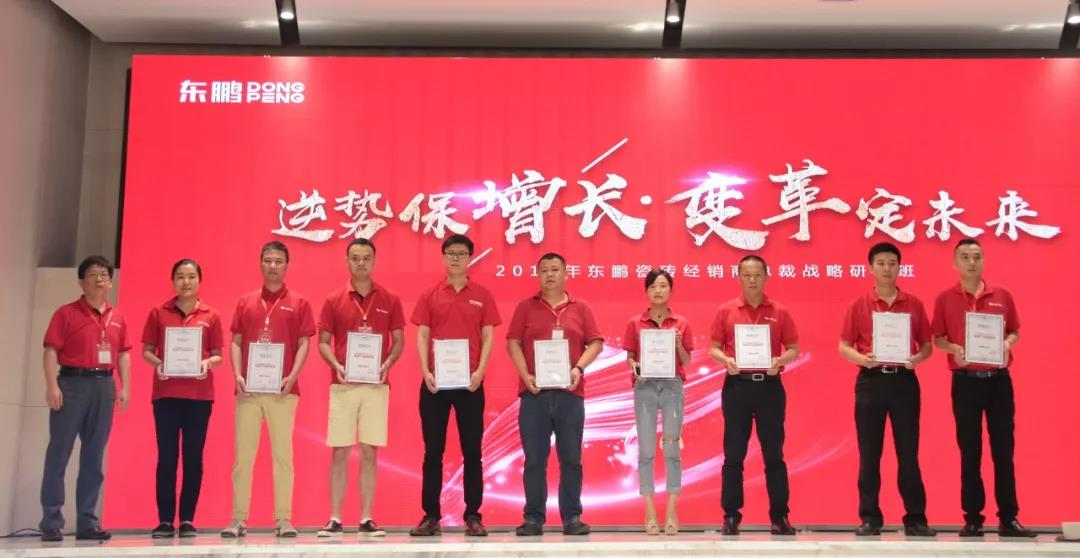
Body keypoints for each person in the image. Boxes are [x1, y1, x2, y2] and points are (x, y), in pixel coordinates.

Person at [931, 238, 1035, 538]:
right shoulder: (945, 299)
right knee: (970, 452)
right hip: (965, 382)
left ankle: (1009, 518)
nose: (972, 262)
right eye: (965, 257)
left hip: (998, 381)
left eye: (977, 256)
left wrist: (1006, 344)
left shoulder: (1002, 295)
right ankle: (973, 518)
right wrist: (954, 349)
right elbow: (938, 338)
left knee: (1003, 451)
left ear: (984, 261)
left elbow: (1014, 330)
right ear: (955, 263)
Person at [839, 242, 935, 537]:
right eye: (881, 263)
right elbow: (843, 345)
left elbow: (927, 345)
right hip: (871, 381)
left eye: (892, 263)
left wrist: (917, 358)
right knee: (870, 453)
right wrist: (862, 359)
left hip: (904, 382)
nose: (887, 268)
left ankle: (916, 519)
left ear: (899, 267)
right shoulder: (859, 305)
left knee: (908, 452)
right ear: (871, 268)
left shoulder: (914, 304)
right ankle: (870, 517)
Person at [408, 234, 500, 537]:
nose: (456, 258)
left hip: (470, 384)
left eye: (461, 253)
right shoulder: (430, 295)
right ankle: (430, 516)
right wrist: (426, 371)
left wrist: (480, 371)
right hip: (435, 384)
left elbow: (488, 336)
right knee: (432, 451)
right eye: (451, 253)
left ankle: (473, 515)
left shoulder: (482, 295)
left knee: (472, 451)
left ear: (470, 258)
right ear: (443, 257)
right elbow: (422, 335)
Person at [221, 241, 315, 538]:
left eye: (278, 261)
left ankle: (284, 519)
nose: (273, 266)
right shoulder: (245, 302)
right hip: (248, 391)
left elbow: (304, 344)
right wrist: (238, 375)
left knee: (283, 456)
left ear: (287, 265)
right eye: (268, 261)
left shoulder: (299, 302)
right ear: (260, 263)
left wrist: (292, 376)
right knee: (243, 457)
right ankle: (238, 518)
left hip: (283, 391)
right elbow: (236, 342)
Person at [507, 253, 602, 536]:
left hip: (569, 394)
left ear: (565, 273)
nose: (550, 274)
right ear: (538, 275)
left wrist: (578, 368)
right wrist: (525, 375)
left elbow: (595, 343)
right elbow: (513, 343)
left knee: (571, 458)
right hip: (534, 394)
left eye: (555, 269)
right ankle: (533, 518)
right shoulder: (525, 307)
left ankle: (572, 517)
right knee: (534, 460)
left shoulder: (581, 308)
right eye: (544, 270)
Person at [315, 238, 404, 537]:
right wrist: (336, 365)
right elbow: (323, 342)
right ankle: (335, 518)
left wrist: (387, 363)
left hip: (376, 386)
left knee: (369, 452)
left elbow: (399, 341)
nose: (361, 263)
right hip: (343, 385)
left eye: (366, 258)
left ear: (374, 261)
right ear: (347, 261)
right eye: (355, 258)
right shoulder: (333, 299)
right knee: (340, 451)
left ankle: (366, 517)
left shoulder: (390, 299)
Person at [39, 256, 132, 542]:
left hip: (104, 386)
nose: (99, 279)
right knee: (59, 454)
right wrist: (52, 386)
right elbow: (51, 350)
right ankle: (51, 522)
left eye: (104, 274)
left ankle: (87, 522)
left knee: (94, 456)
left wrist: (124, 387)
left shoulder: (118, 317)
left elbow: (123, 354)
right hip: (72, 384)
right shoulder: (66, 313)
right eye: (92, 274)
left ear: (110, 281)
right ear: (81, 281)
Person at [709, 255, 799, 536]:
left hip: (770, 387)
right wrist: (726, 360)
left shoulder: (780, 311)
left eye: (757, 275)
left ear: (766, 277)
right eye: (747, 275)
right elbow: (714, 347)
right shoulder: (726, 311)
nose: (752, 280)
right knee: (733, 453)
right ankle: (731, 516)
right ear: (739, 277)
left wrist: (780, 360)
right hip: (737, 386)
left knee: (774, 454)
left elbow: (794, 348)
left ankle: (780, 517)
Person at [141, 259, 223, 538]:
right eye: (180, 276)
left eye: (191, 276)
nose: (185, 282)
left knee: (193, 458)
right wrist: (159, 364)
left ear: (199, 280)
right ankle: (165, 520)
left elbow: (218, 355)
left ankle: (187, 519)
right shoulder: (158, 312)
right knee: (166, 458)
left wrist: (207, 363)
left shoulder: (211, 315)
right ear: (173, 281)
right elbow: (147, 350)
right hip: (166, 395)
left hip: (199, 397)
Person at [622, 269, 693, 535]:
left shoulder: (681, 323)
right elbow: (630, 358)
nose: (658, 290)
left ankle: (672, 510)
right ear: (646, 291)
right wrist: (636, 368)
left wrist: (678, 345)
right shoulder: (635, 323)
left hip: (673, 386)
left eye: (663, 285)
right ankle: (650, 510)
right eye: (653, 286)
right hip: (646, 387)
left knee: (672, 448)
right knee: (646, 450)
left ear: (670, 290)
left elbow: (687, 361)